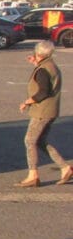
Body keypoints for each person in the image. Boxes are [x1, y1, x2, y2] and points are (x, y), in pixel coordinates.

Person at [14, 40, 70, 187]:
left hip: (42, 111)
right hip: (51, 110)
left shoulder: (43, 70)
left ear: (37, 52)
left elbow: (43, 92)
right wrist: (36, 63)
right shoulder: (50, 66)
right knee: (40, 141)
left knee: (30, 141)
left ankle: (33, 175)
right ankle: (65, 168)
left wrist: (27, 102)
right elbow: (46, 79)